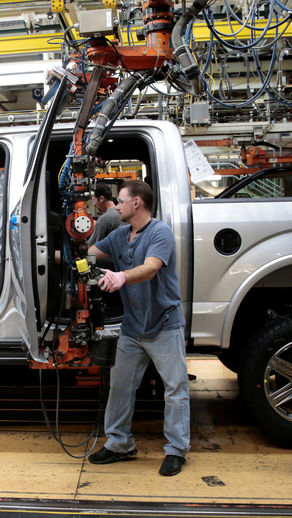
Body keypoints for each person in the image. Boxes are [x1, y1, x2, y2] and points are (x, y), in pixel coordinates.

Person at [87, 180, 190, 476]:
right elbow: (89, 253)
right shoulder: (120, 235)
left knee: (175, 388)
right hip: (133, 326)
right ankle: (120, 444)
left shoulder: (160, 233)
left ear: (137, 203)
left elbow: (151, 267)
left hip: (163, 324)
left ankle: (176, 450)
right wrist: (52, 254)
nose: (116, 206)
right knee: (120, 385)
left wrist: (121, 277)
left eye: (120, 201)